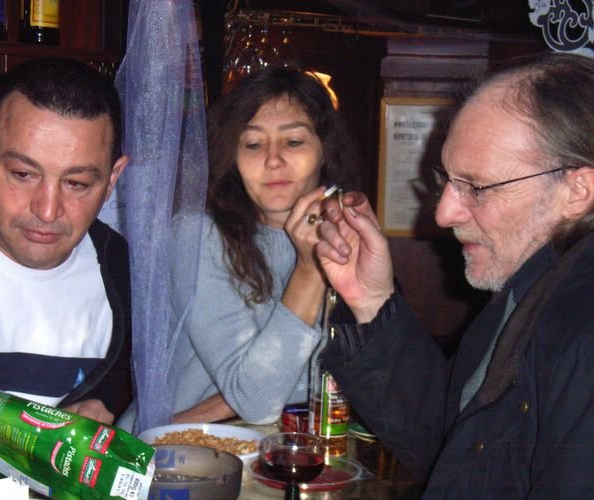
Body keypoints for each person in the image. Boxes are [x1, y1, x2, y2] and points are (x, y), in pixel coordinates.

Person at [315, 51, 594, 497]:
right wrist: (371, 301)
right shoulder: (528, 287)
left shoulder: (581, 328)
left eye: (477, 187)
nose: (444, 213)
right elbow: (455, 451)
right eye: (446, 180)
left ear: (577, 190)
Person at [0, 57, 131, 491]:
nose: (48, 210)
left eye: (77, 184)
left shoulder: (121, 269)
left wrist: (100, 413)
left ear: (113, 178)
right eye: (22, 174)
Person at [168, 66, 359, 424]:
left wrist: (229, 400)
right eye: (253, 144)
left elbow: (352, 379)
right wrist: (310, 270)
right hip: (181, 446)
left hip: (284, 444)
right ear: (233, 156)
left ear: (324, 151)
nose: (273, 160)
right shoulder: (197, 235)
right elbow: (257, 400)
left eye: (293, 142)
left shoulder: (349, 233)